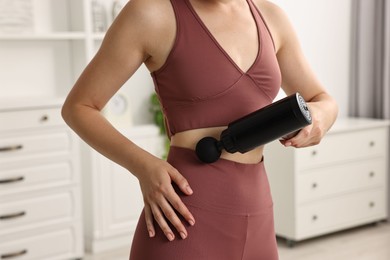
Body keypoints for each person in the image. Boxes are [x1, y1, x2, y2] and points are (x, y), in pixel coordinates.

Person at [62, 0, 338, 259]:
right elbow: (79, 106)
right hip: (184, 213)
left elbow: (322, 99)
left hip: (258, 211)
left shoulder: (271, 17)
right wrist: (143, 166)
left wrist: (318, 117)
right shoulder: (151, 12)